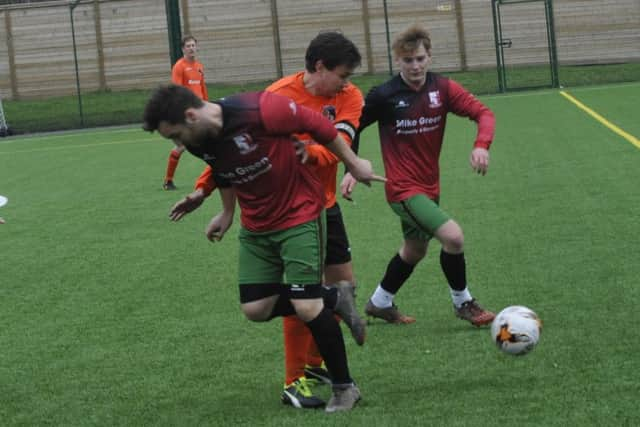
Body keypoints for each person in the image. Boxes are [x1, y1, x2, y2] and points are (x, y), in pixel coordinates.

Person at [143, 84, 385, 412]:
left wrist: (354, 163)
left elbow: (321, 127)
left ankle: (345, 388)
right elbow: (223, 169)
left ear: (190, 115)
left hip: (299, 214)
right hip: (257, 228)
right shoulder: (200, 139)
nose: (177, 144)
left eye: (175, 135)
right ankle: (335, 297)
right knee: (255, 308)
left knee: (306, 306)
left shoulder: (260, 109)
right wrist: (227, 212)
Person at [342, 24, 496, 326]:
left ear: (430, 57)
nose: (415, 66)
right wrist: (351, 166)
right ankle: (463, 302)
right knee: (453, 237)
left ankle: (380, 302)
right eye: (408, 60)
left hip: (429, 186)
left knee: (414, 250)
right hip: (401, 189)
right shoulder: (384, 95)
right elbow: (351, 126)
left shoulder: (443, 89)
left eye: (421, 59)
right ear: (398, 61)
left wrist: (482, 145)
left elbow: (484, 114)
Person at [163, 35, 208, 190]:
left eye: (193, 45)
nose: (191, 48)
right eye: (188, 46)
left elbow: (202, 89)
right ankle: (168, 180)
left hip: (199, 112)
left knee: (206, 143)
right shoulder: (179, 67)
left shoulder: (199, 66)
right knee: (182, 146)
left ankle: (216, 175)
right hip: (185, 113)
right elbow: (176, 91)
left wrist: (206, 105)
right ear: (183, 49)